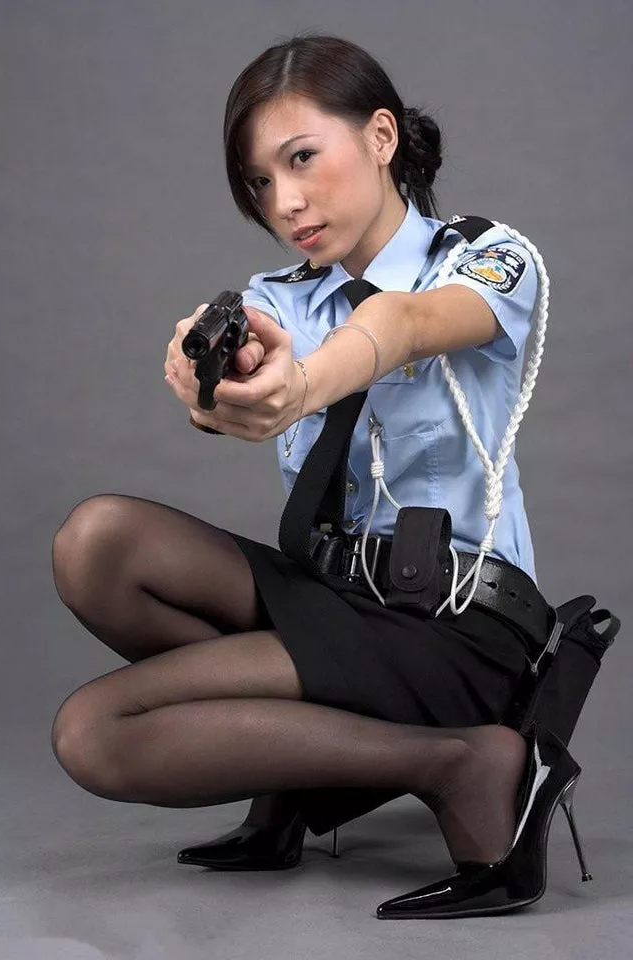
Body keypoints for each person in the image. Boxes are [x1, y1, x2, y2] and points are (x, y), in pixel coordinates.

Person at [50, 33, 589, 919]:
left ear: (380, 137)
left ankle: (464, 762)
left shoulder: (486, 258)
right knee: (97, 544)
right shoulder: (284, 294)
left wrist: (303, 384)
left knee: (94, 731)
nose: (285, 202)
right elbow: (246, 353)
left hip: (452, 623)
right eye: (259, 182)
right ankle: (293, 776)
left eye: (301, 158)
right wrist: (208, 374)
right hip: (335, 599)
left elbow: (404, 324)